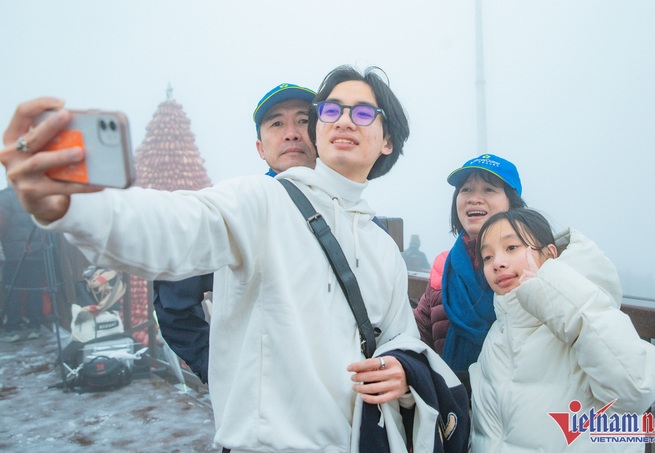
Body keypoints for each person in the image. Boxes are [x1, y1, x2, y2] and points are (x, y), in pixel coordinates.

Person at [1, 65, 470, 451]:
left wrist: (399, 371)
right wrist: (70, 206)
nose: (344, 120)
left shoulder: (380, 246)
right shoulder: (260, 202)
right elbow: (170, 226)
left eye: (363, 112)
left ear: (387, 141)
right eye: (331, 110)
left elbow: (401, 339)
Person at [153, 83, 317, 384]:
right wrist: (216, 368)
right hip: (266, 402)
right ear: (260, 148)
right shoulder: (237, 210)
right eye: (277, 123)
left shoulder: (348, 214)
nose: (292, 133)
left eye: (304, 121)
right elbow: (173, 298)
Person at [470, 208, 655, 451]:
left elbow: (636, 389)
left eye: (511, 248)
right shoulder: (498, 333)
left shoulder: (581, 315)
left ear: (550, 254)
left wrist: (558, 295)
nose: (497, 263)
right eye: (487, 257)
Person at [413, 153, 525, 395]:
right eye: (466, 190)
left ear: (511, 202)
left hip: (517, 407)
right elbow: (418, 335)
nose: (474, 199)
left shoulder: (531, 263)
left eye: (488, 189)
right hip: (452, 405)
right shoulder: (445, 266)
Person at [0, 185, 48, 342]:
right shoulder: (34, 193)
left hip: (13, 253)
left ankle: (12, 327)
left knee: (12, 289)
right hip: (35, 251)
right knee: (34, 288)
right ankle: (35, 325)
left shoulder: (5, 197)